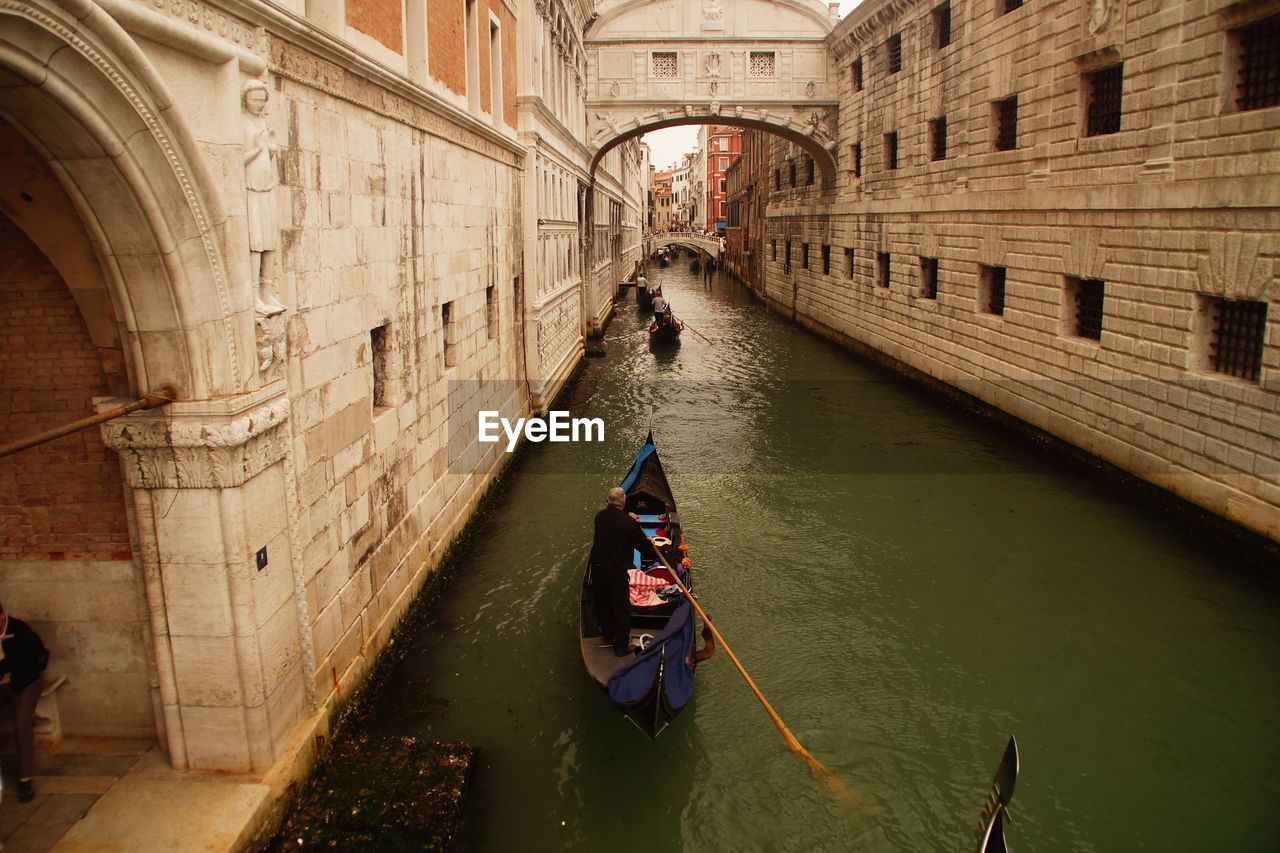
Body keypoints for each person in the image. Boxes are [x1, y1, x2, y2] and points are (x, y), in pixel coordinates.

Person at [589, 487, 657, 656]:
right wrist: (650, 543)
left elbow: (613, 527)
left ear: (609, 501)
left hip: (597, 569)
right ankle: (620, 647)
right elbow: (644, 548)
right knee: (621, 608)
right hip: (616, 572)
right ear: (624, 502)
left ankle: (607, 636)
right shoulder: (628, 523)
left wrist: (628, 520)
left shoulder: (600, 517)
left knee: (603, 604)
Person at [0, 601, 48, 803]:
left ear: (2, 615)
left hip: (25, 682)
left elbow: (19, 661)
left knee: (21, 723)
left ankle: (25, 778)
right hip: (3, 685)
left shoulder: (19, 630)